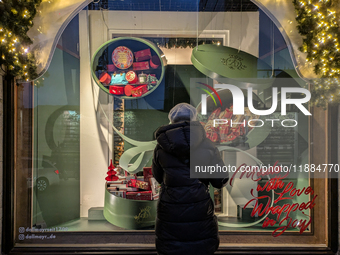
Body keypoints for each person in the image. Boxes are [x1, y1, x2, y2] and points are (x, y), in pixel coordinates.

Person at [152, 103, 228, 255]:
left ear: (171, 121)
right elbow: (220, 180)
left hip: (170, 213)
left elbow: (159, 177)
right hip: (199, 213)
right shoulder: (208, 145)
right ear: (195, 119)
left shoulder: (160, 148)